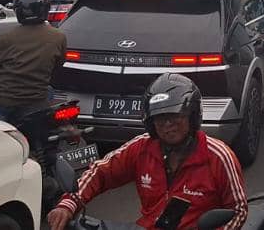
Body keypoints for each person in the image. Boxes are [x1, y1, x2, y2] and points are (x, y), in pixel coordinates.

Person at [47, 73, 248, 230]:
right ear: (151, 123)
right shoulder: (141, 147)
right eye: (160, 119)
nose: (168, 125)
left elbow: (238, 211)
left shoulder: (218, 156)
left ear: (192, 116)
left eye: (174, 116)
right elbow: (100, 172)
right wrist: (69, 203)